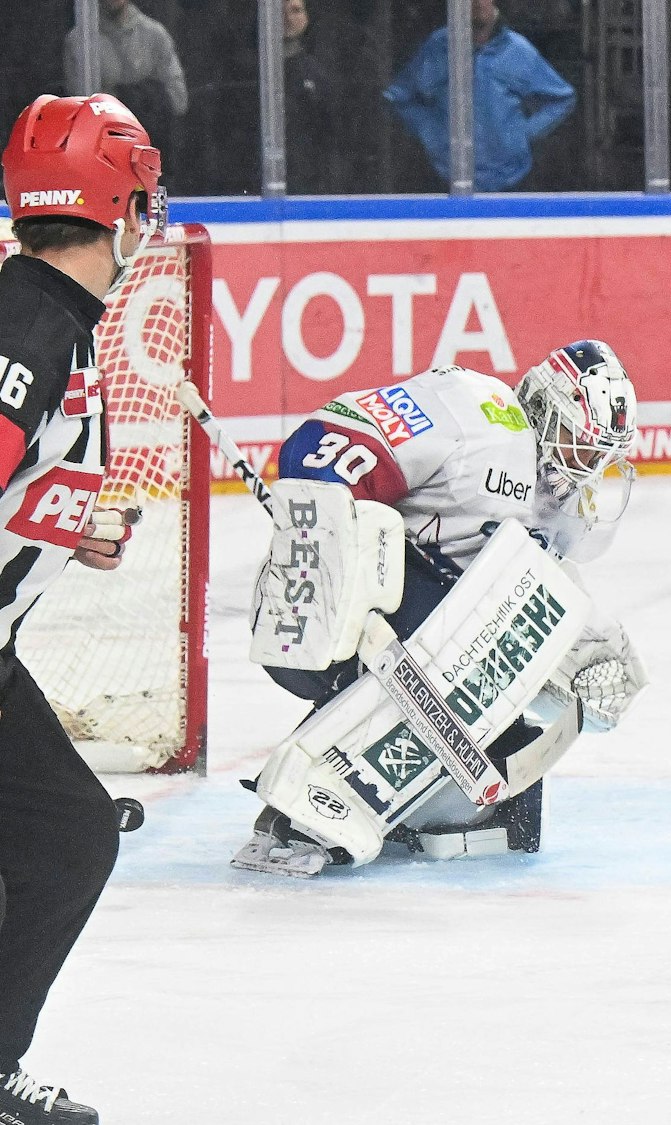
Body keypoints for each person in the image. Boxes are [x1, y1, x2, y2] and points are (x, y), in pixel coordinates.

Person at [231, 341, 647, 877]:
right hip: (317, 610)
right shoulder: (475, 409)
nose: (588, 468)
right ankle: (310, 808)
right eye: (581, 447)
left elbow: (535, 582)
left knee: (508, 652)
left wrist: (591, 642)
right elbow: (316, 444)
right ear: (546, 408)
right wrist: (328, 531)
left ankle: (414, 811)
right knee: (467, 634)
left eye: (599, 457)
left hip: (412, 633)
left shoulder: (558, 499)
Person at [0, 92, 167, 1125]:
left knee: (65, 837)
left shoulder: (47, 315)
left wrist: (66, 526)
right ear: (122, 205)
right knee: (64, 839)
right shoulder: (32, 327)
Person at [383, 0, 575, 192]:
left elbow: (562, 98)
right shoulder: (438, 47)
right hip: (447, 178)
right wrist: (431, 131)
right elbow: (399, 97)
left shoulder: (518, 50)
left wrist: (522, 135)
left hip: (511, 181)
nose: (476, 2)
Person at [63, 0, 188, 160]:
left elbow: (178, 98)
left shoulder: (155, 35)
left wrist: (146, 100)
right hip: (103, 153)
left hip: (153, 151)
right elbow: (79, 108)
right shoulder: (80, 41)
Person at [282, 0, 344, 194]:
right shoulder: (248, 70)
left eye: (295, 11)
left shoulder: (318, 72)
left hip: (308, 182)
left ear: (307, 17)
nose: (287, 18)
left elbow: (330, 133)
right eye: (280, 12)